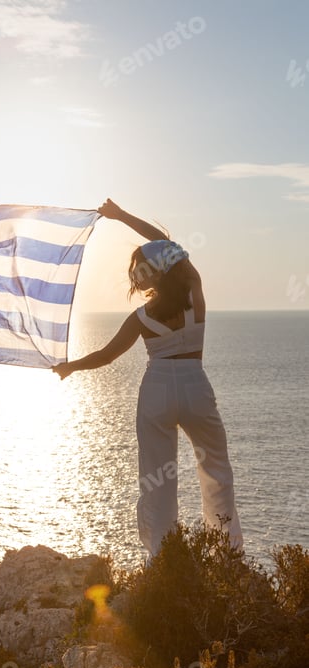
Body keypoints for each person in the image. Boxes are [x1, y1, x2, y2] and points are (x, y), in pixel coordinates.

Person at [52, 198, 243, 560]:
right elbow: (166, 243)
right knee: (216, 468)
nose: (137, 275)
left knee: (157, 478)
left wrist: (70, 367)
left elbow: (106, 356)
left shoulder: (141, 317)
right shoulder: (193, 292)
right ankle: (226, 554)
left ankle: (162, 558)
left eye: (141, 269)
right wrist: (122, 215)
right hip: (195, 387)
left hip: (156, 391)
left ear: (153, 273)